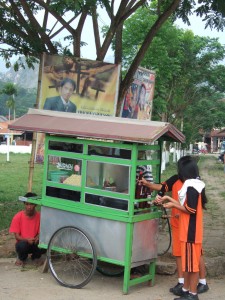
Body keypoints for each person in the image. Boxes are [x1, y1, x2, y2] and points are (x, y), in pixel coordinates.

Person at [139, 156, 209, 297]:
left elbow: (190, 209)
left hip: (190, 229)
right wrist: (152, 187)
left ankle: (196, 288)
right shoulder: (187, 183)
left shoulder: (192, 187)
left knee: (194, 260)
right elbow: (162, 188)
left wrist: (172, 203)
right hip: (182, 226)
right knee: (182, 257)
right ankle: (185, 287)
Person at [9, 192, 46, 266]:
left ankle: (36, 257)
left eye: (31, 204)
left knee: (44, 243)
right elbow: (17, 236)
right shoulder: (18, 216)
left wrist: (37, 237)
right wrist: (27, 240)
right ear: (24, 204)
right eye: (27, 204)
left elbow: (42, 232)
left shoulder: (40, 216)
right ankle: (21, 258)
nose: (29, 207)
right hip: (23, 243)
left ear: (35, 204)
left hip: (34, 243)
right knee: (22, 245)